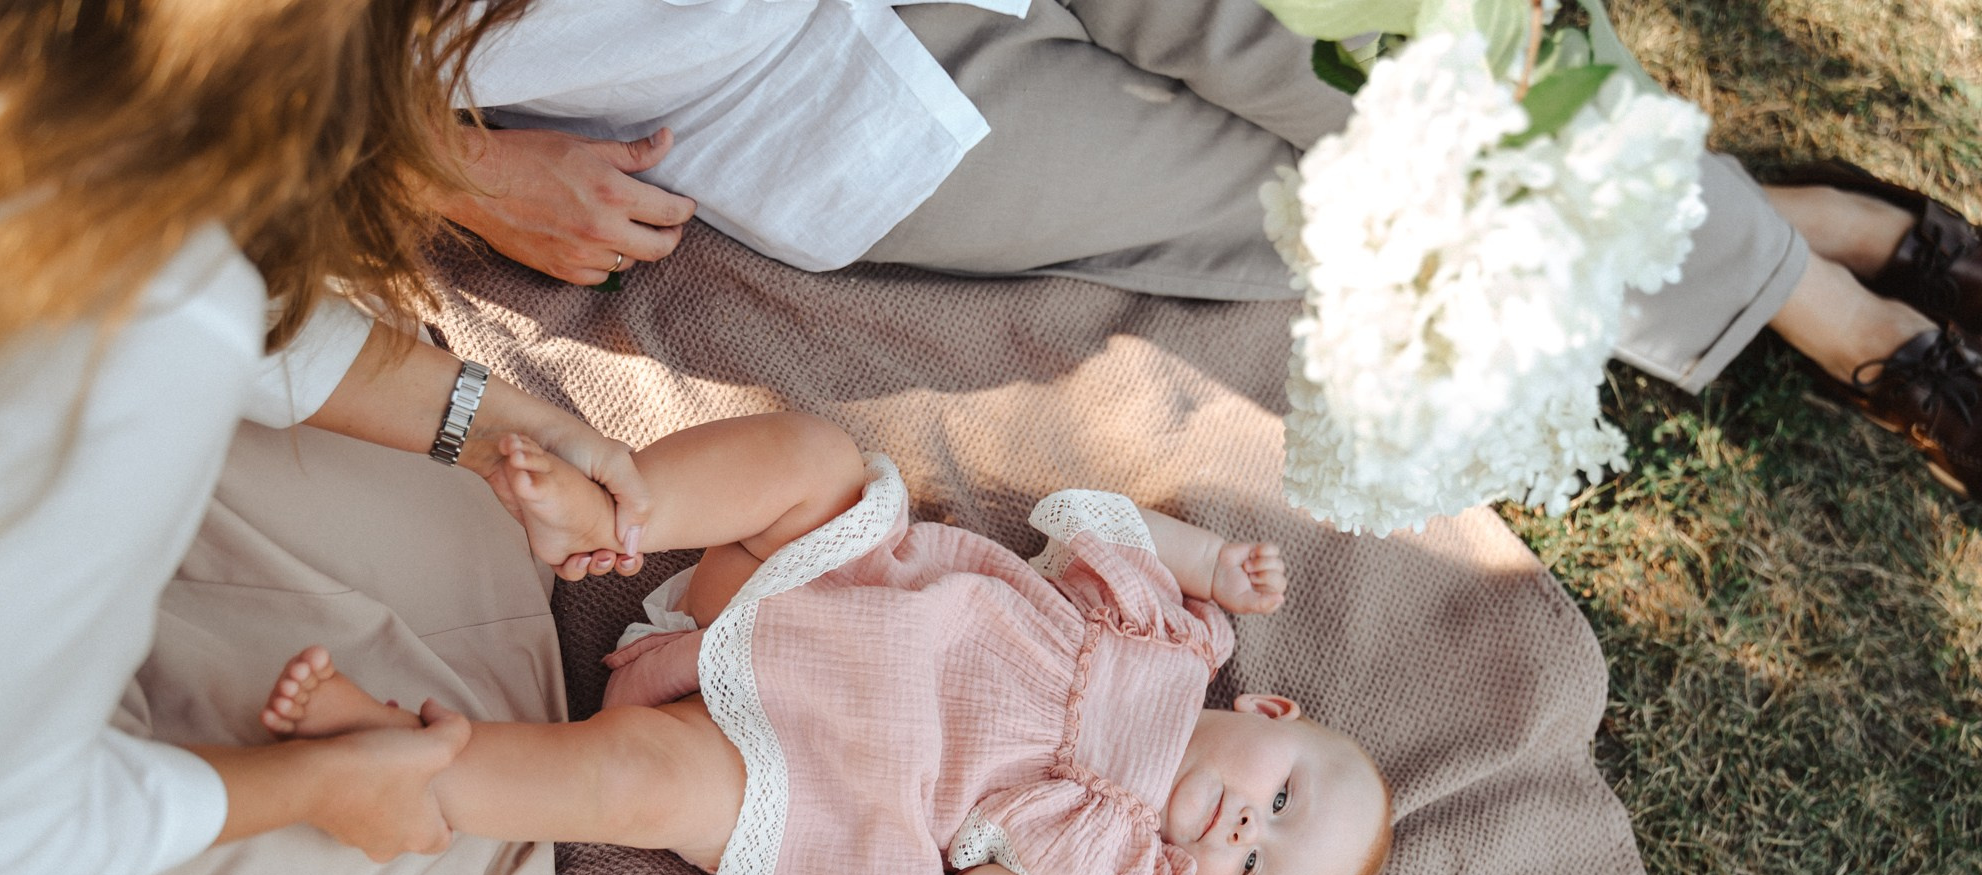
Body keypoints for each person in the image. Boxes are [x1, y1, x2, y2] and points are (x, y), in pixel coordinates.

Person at [0, 0, 651, 875]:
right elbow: (7, 835)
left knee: (396, 521)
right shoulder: (142, 324)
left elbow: (224, 307)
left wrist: (491, 420)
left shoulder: (74, 164)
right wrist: (318, 787)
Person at [427, 0, 1982, 498]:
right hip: (776, 89)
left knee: (1446, 48)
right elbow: (181, 116)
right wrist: (451, 164)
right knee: (1350, 226)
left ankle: (1836, 310)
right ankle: (1810, 252)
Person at [257, 412, 1395, 875]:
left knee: (639, 784)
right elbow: (1109, 526)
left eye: (1251, 864)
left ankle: (419, 769)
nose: (1244, 826)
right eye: (1281, 798)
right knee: (817, 462)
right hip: (812, 598)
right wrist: (1210, 565)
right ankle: (608, 511)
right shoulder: (1168, 634)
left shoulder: (1111, 864)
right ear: (1268, 710)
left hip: (801, 782)